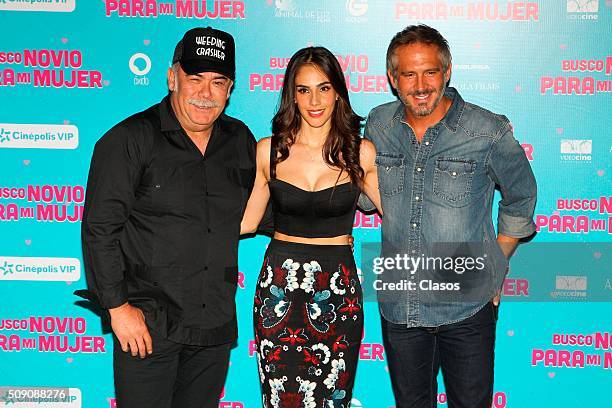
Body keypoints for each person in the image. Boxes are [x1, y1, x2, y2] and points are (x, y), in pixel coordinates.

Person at [78, 27, 256, 408]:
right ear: (172, 77)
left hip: (214, 326)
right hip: (147, 325)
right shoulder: (129, 139)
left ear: (230, 88)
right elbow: (99, 229)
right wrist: (118, 310)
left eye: (218, 81)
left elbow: (262, 213)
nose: (206, 94)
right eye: (195, 79)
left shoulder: (240, 140)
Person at [364, 25, 537, 407]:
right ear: (393, 78)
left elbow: (521, 197)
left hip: (467, 304)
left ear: (447, 71)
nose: (420, 84)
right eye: (408, 74)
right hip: (401, 305)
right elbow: (363, 193)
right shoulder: (378, 124)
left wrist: (496, 262)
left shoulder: (486, 130)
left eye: (430, 72)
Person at [240, 46, 382, 407]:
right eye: (304, 90)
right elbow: (246, 222)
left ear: (338, 92)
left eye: (323, 88)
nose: (314, 100)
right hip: (278, 291)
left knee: (332, 398)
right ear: (292, 94)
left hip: (338, 293)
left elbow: (401, 218)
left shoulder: (360, 152)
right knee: (280, 399)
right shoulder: (268, 151)